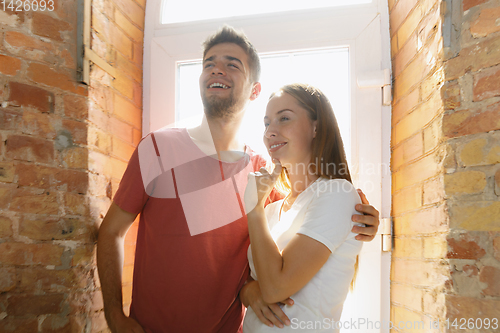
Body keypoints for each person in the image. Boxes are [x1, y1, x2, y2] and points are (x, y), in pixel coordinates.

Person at [97, 26, 380, 333]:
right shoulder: (156, 149)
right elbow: (111, 233)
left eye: (232, 63)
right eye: (209, 63)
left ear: (255, 90)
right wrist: (114, 315)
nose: (217, 69)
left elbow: (297, 224)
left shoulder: (263, 175)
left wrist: (363, 219)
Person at [243, 83, 364, 332]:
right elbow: (254, 283)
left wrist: (253, 208)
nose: (270, 132)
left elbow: (276, 288)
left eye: (284, 118)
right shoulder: (271, 212)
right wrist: (247, 291)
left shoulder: (336, 193)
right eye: (267, 123)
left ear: (316, 127)